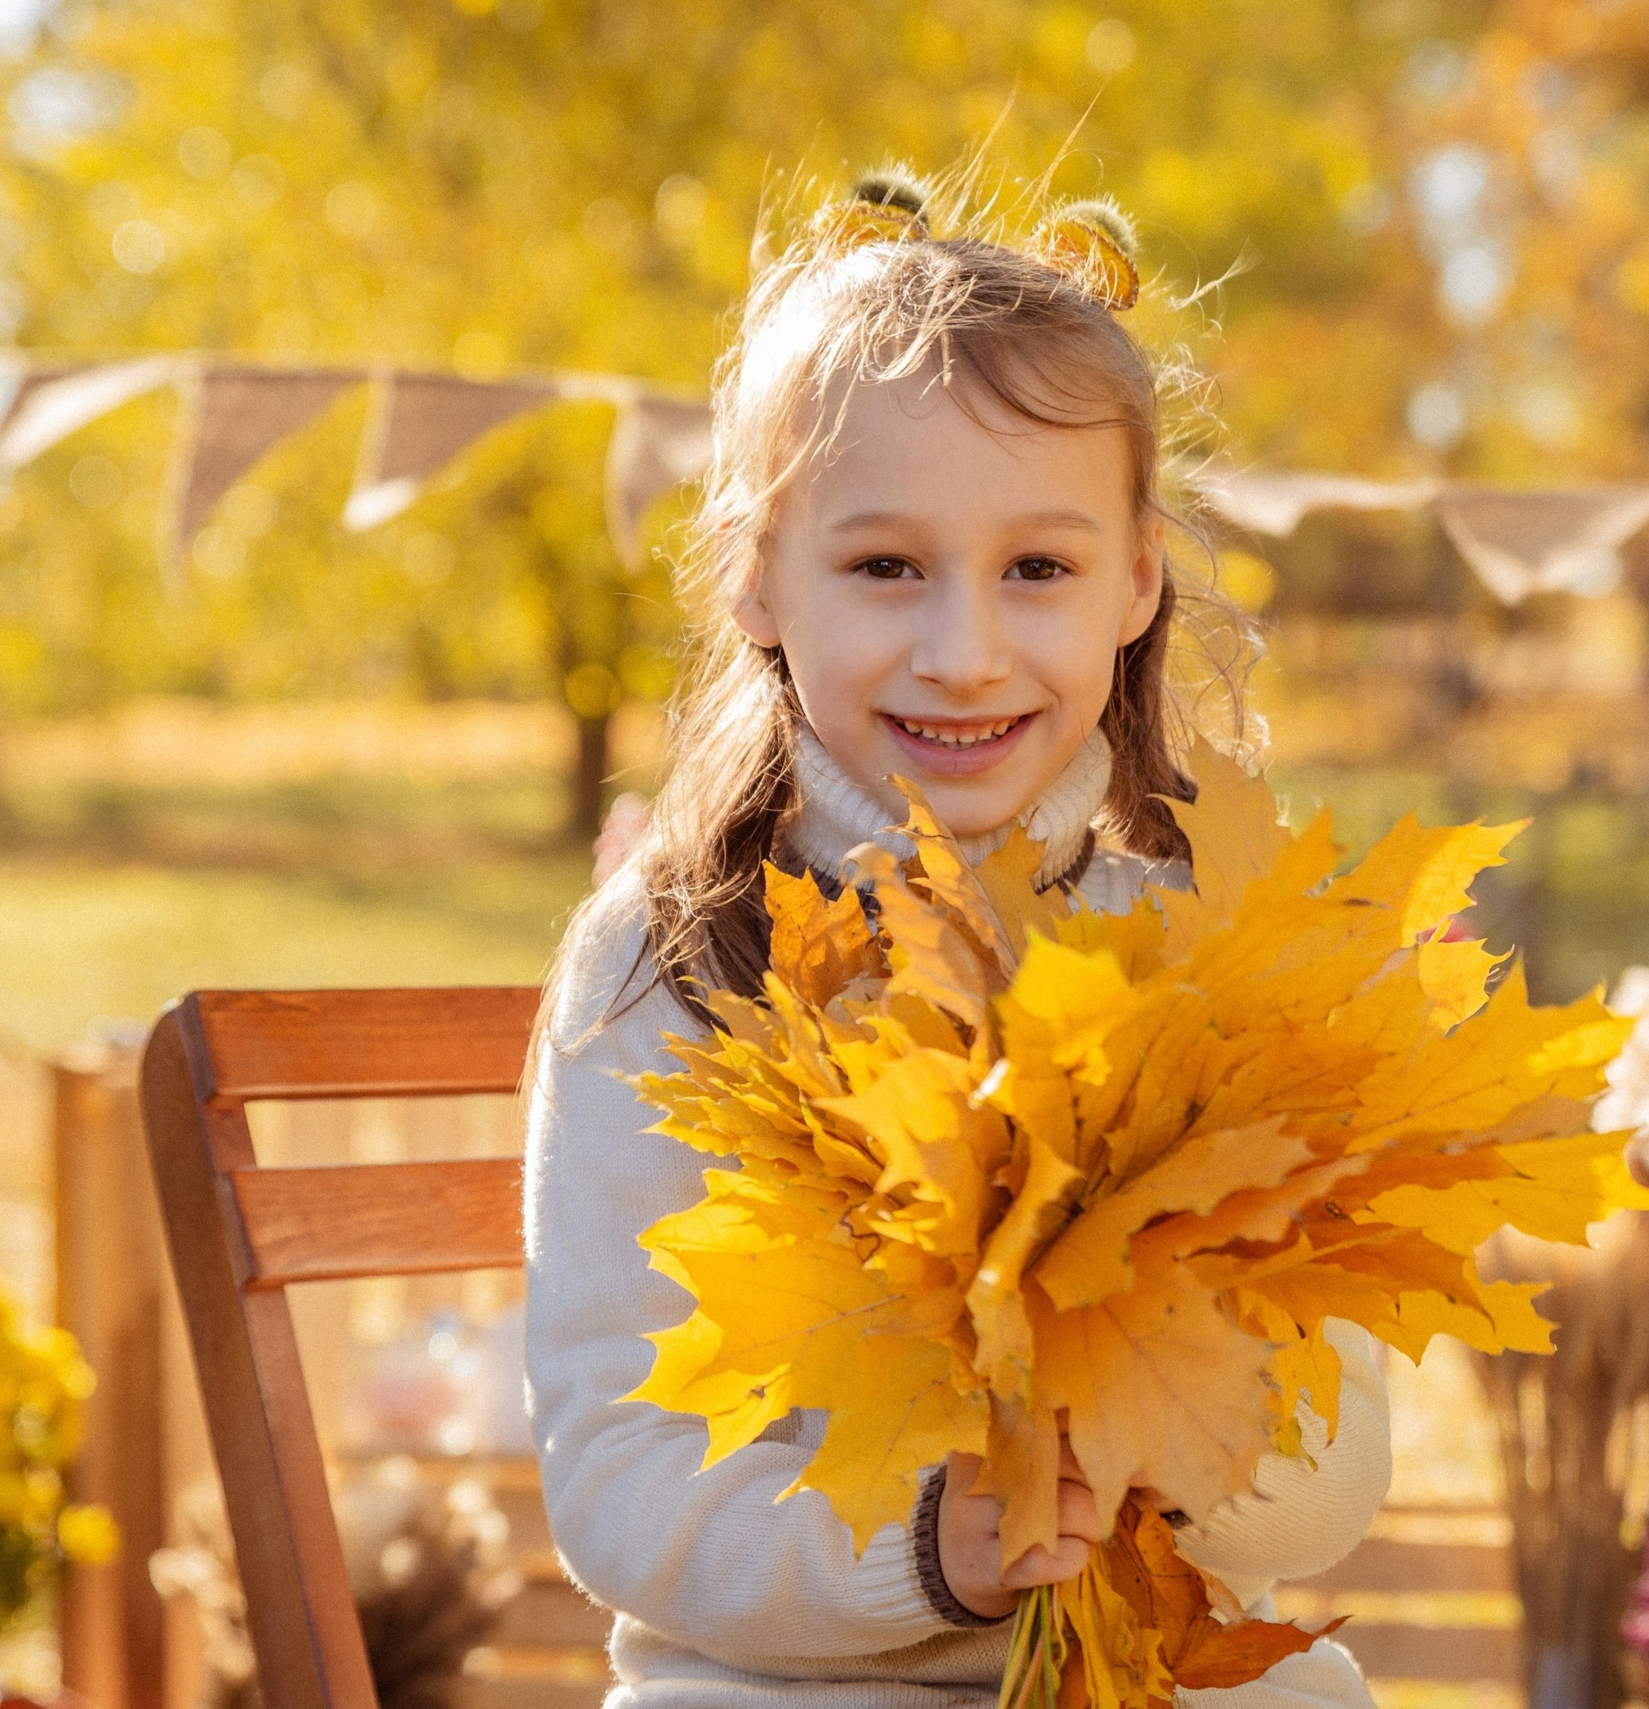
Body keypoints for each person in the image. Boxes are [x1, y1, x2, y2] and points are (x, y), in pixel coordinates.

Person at [523, 173, 1392, 1709]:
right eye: (885, 566)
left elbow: (1334, 1464)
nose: (964, 650)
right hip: (778, 1683)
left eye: (1037, 569)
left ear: (1136, 579)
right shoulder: (671, 960)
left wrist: (1158, 1446)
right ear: (756, 574)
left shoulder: (1213, 946)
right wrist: (930, 1548)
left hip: (1155, 1663)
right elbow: (622, 1470)